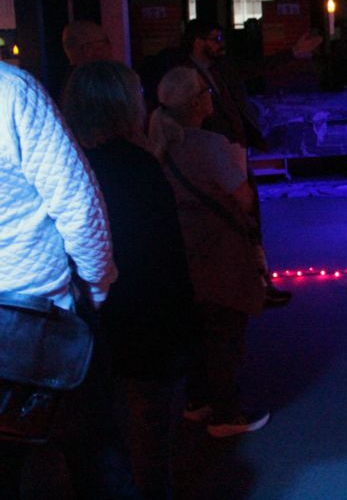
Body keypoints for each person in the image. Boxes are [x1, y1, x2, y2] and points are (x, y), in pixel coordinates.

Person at [0, 61, 136, 498]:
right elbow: (79, 204)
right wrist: (95, 291)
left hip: (36, 318)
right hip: (42, 319)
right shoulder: (10, 90)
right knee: (98, 458)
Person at [62, 61, 196, 499]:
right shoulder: (136, 166)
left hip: (84, 333)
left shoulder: (65, 167)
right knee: (148, 449)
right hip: (143, 330)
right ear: (120, 104)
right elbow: (163, 258)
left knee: (95, 451)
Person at [149, 66, 270, 438]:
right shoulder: (210, 145)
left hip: (182, 249)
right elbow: (243, 198)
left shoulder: (158, 144)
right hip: (220, 249)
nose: (210, 97)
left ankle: (197, 400)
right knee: (226, 329)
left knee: (197, 327)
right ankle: (225, 412)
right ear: (196, 102)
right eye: (206, 92)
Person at [182, 18, 297, 307]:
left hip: (234, 154)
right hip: (212, 160)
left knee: (250, 219)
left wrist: (294, 52)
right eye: (214, 38)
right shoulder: (184, 76)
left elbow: (256, 66)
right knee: (233, 224)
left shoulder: (221, 69)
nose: (221, 44)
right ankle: (248, 287)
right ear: (197, 42)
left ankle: (260, 283)